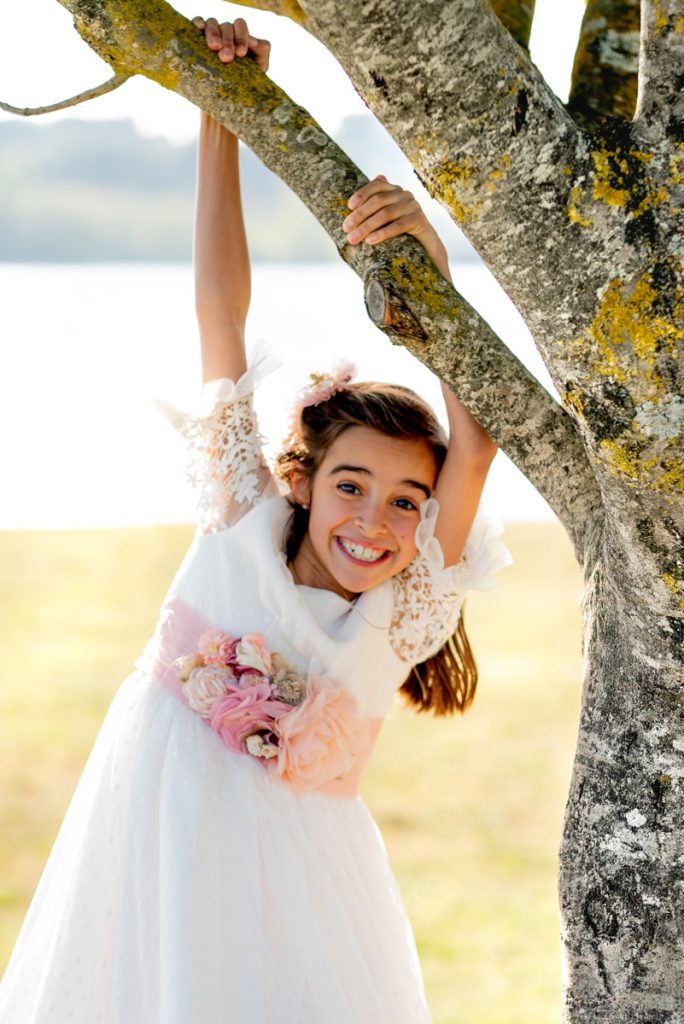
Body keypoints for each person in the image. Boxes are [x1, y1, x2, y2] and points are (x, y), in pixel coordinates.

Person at [0, 17, 510, 1023]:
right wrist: (220, 113)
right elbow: (219, 313)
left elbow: (478, 442)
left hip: (307, 888)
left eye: (407, 502)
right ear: (302, 482)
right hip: (160, 832)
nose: (376, 521)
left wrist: (434, 266)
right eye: (352, 485)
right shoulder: (239, 518)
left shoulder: (404, 611)